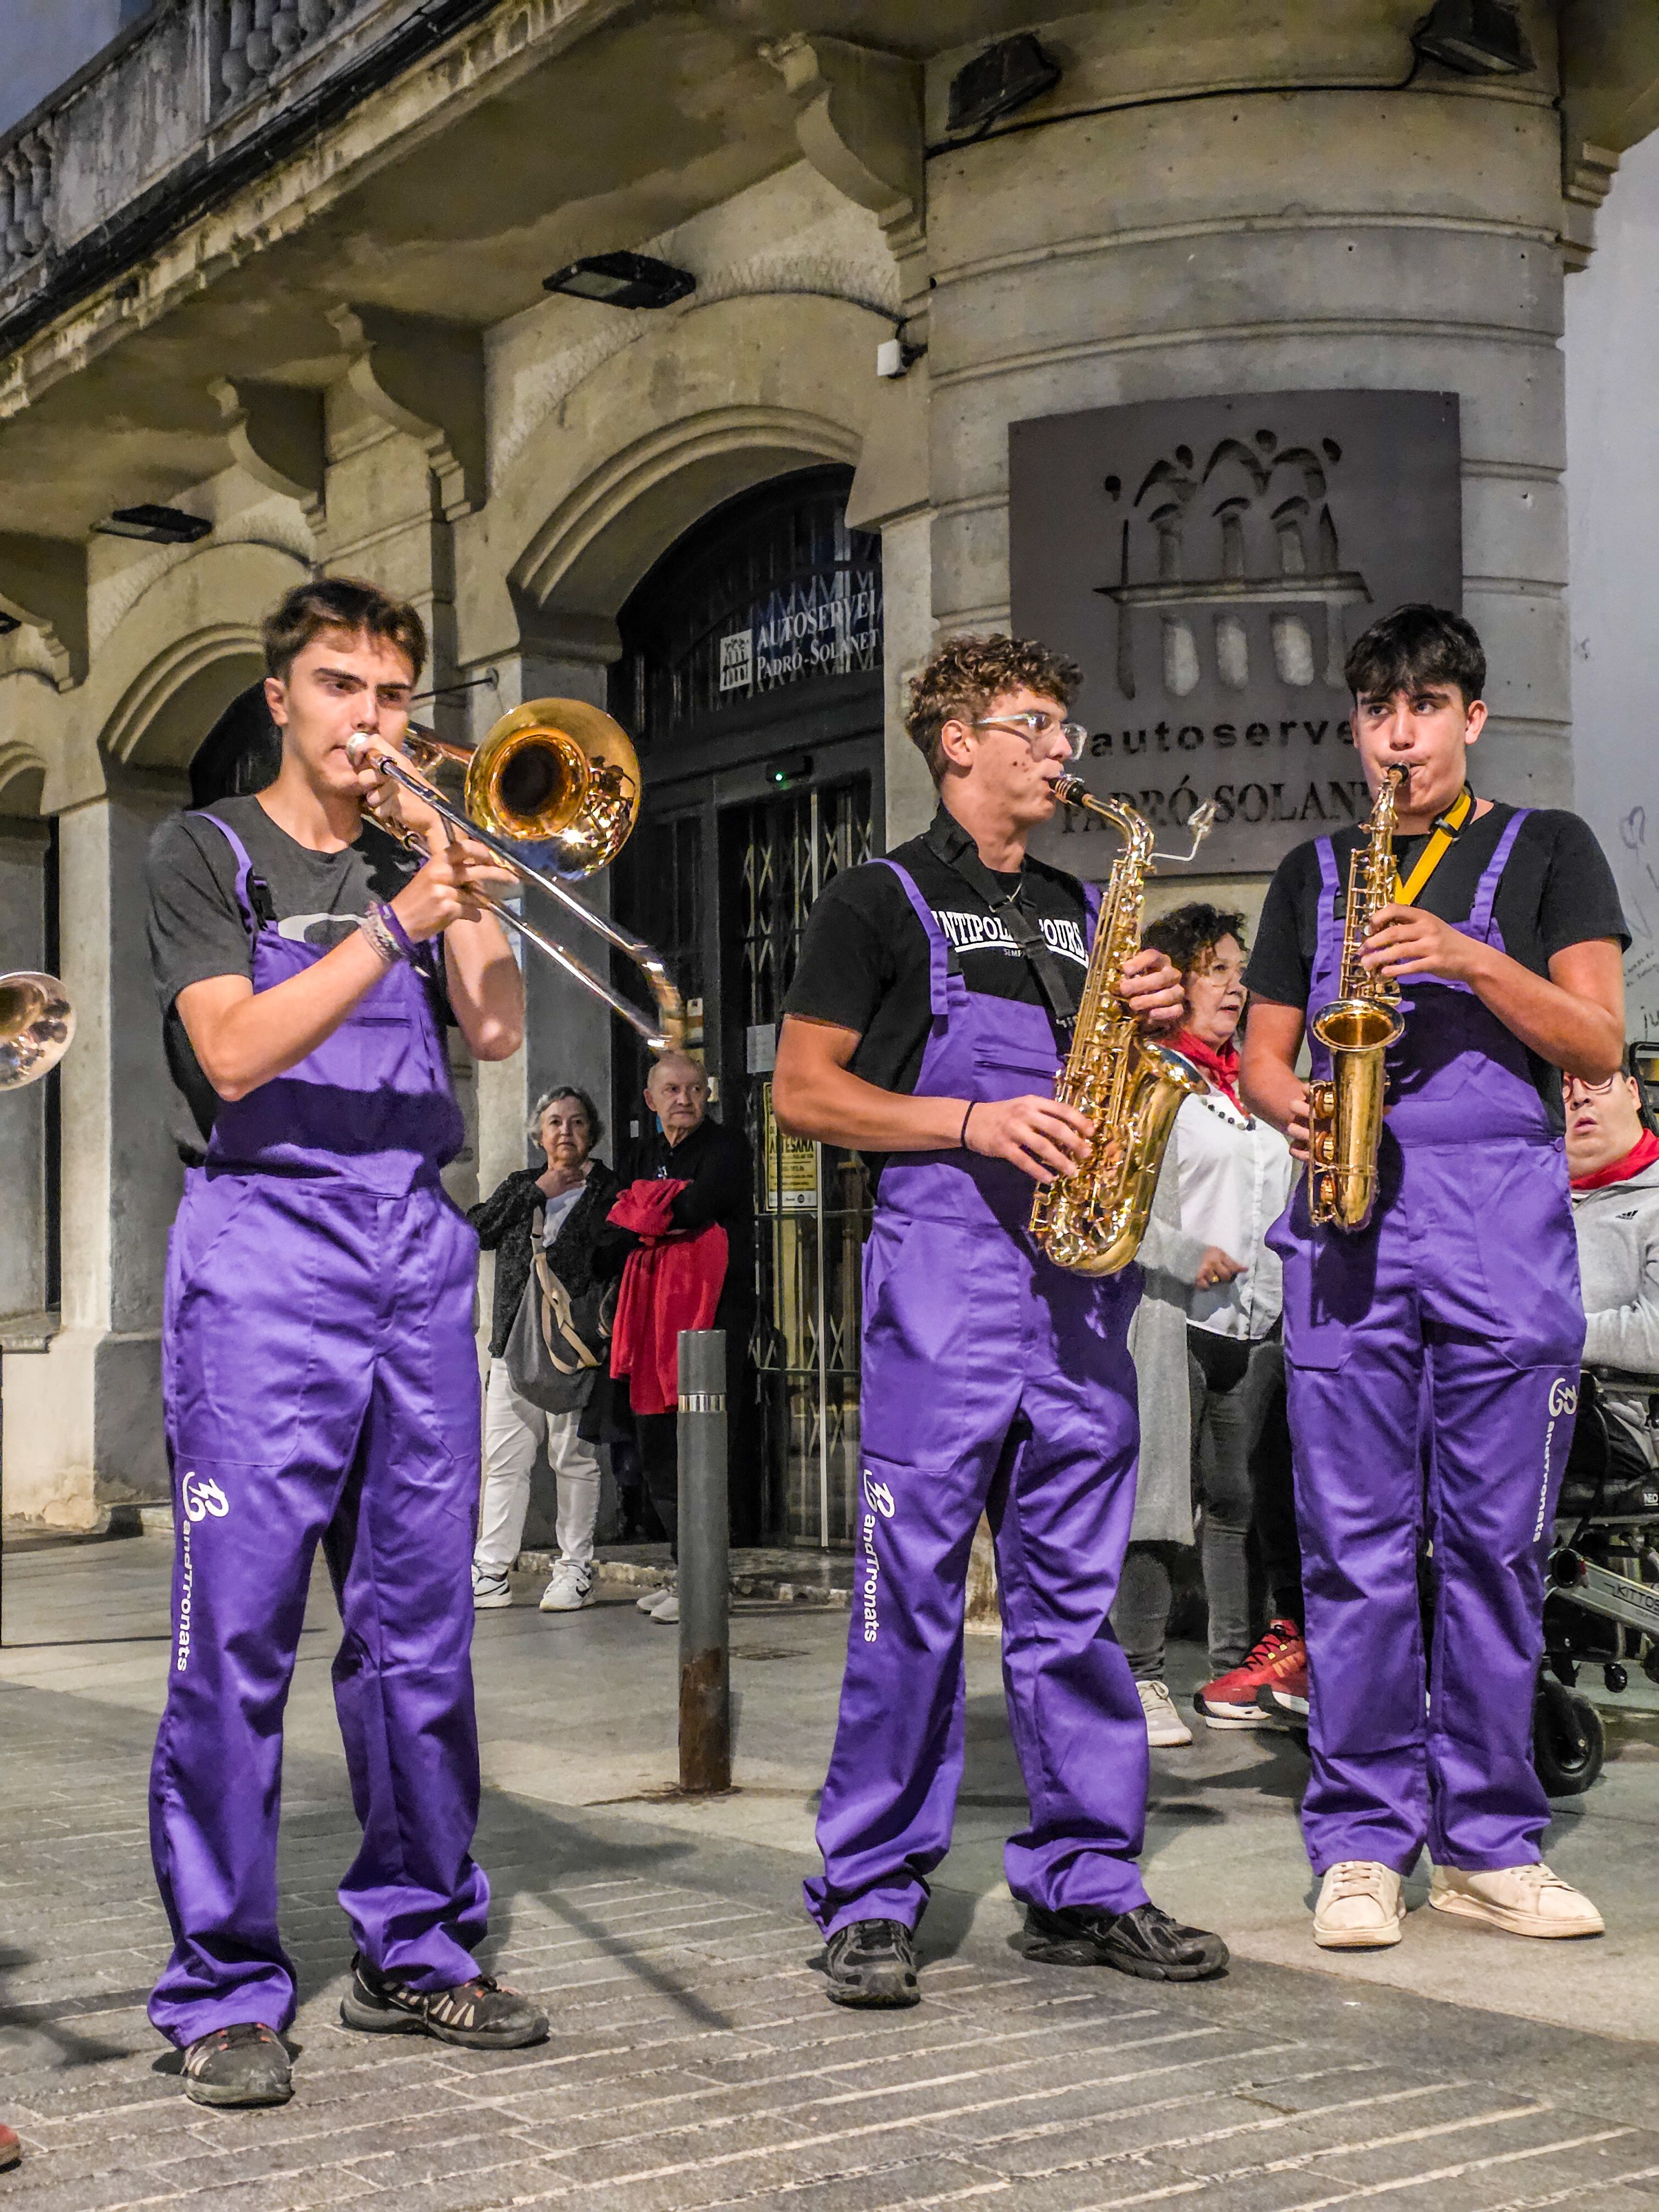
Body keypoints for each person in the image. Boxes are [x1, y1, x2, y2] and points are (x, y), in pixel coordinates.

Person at [773, 632, 1229, 2007]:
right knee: (904, 1602)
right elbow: (803, 1091)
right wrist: (966, 1117)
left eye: (1060, 726)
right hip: (945, 1279)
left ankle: (1086, 1882)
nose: (1059, 751)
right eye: (1032, 724)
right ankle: (867, 1894)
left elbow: (1106, 1089)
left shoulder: (1088, 908)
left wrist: (1145, 1017)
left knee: (1074, 1607)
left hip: (1075, 1291)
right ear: (956, 739)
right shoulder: (879, 897)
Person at [143, 577, 546, 2110]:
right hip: (263, 1254)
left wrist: (472, 883)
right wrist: (391, 923)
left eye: (387, 692)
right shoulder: (208, 850)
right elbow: (233, 1051)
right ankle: (224, 1983)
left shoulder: (416, 851)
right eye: (338, 687)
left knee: (420, 1637)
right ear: (281, 700)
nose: (368, 720)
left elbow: (498, 1034)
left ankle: (421, 1945)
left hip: (412, 1249)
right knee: (236, 1644)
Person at [1241, 602, 1625, 1951]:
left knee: (1494, 1548)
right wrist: (1292, 1106)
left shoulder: (1550, 850)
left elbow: (1592, 1036)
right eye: (1374, 711)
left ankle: (1487, 1843)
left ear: (1470, 717)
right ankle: (1358, 1843)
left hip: (1497, 1231)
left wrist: (1462, 953)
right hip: (1350, 1226)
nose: (1395, 734)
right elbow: (1262, 1054)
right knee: (1348, 1553)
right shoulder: (1315, 869)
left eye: (1422, 706)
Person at [1112, 905, 1296, 1746]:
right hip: (1172, 1315)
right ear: (1174, 979)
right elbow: (1109, 1208)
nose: (1235, 985)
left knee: (1237, 1501)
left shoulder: (1249, 1079)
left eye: (1237, 969)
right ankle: (1138, 1674)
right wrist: (1187, 1254)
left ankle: (1232, 1670)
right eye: (1215, 969)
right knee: (1160, 1500)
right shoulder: (1150, 1077)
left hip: (1254, 1324)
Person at [597, 1051, 756, 1623]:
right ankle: (684, 1570)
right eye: (671, 1089)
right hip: (651, 1321)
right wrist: (649, 1210)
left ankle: (712, 1580)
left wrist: (646, 1208)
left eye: (693, 1089)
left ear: (707, 1095)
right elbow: (612, 1220)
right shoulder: (642, 1153)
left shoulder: (728, 1146)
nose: (683, 1099)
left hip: (712, 1318)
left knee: (705, 1445)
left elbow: (697, 1204)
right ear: (650, 1098)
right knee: (658, 1445)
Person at [469, 1086, 619, 1613]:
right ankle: (489, 1571)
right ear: (538, 1134)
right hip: (512, 1348)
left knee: (573, 1459)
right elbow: (475, 1231)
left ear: (592, 1134)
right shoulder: (521, 1186)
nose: (565, 1133)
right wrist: (538, 1190)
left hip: (575, 1351)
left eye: (577, 1123)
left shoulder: (609, 1192)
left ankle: (575, 1567)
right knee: (504, 1461)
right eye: (554, 1122)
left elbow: (605, 1260)